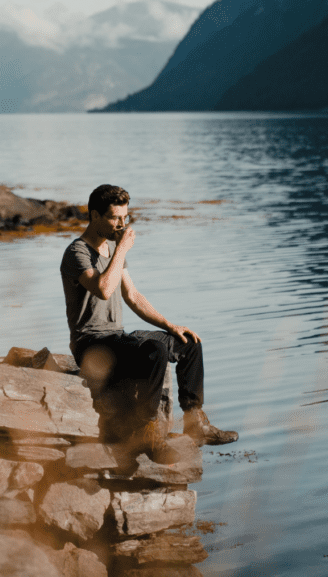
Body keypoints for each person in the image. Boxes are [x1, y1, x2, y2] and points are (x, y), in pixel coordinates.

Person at [60, 184, 238, 463]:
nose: (122, 224)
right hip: (91, 343)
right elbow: (103, 289)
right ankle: (146, 433)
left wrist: (170, 325)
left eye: (125, 217)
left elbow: (132, 296)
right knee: (155, 351)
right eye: (115, 218)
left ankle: (195, 423)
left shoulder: (113, 249)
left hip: (116, 336)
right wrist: (121, 249)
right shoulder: (77, 252)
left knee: (188, 343)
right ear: (94, 216)